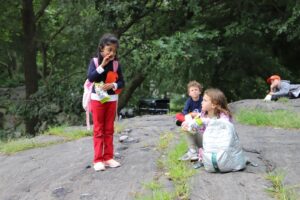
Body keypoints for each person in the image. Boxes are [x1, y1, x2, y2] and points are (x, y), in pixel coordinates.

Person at [87, 33, 125, 171]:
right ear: (101, 49)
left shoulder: (116, 64)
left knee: (109, 129)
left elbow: (121, 82)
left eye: (114, 51)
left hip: (111, 99)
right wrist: (103, 65)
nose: (111, 53)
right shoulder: (95, 62)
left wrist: (113, 86)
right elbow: (91, 78)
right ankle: (98, 160)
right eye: (109, 50)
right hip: (97, 99)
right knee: (99, 129)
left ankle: (108, 157)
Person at [181, 88, 232, 166]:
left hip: (218, 144)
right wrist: (188, 124)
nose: (201, 102)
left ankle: (202, 154)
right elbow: (196, 124)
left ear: (214, 104)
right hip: (206, 142)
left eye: (204, 100)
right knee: (188, 128)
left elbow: (224, 124)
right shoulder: (203, 113)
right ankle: (193, 152)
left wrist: (205, 121)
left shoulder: (223, 115)